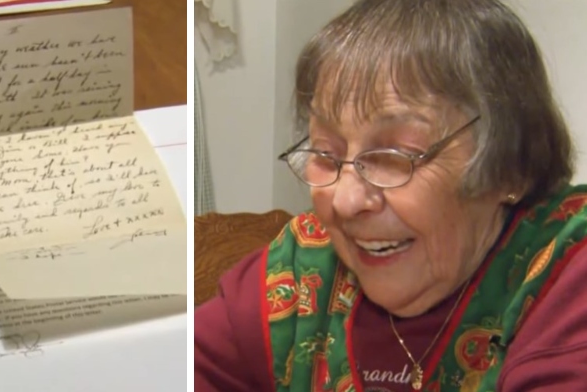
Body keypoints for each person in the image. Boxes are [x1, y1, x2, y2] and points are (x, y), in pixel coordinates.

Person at [194, 0, 587, 391]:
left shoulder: (568, 272)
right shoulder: (302, 268)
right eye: (325, 154)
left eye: (394, 156)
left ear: (509, 165)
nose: (345, 202)